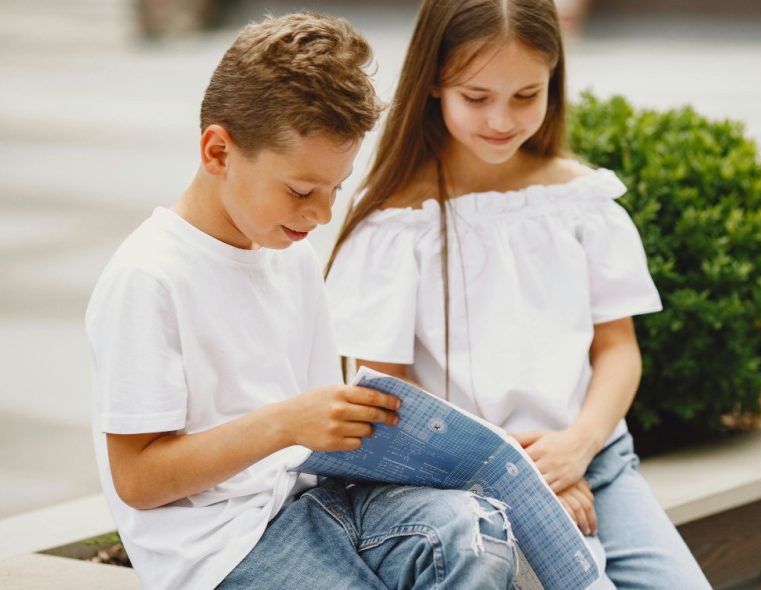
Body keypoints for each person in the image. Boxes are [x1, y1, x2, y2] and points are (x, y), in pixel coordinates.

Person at [86, 12, 518, 590]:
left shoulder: (290, 255)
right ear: (218, 152)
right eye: (300, 190)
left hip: (316, 502)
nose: (321, 215)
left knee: (476, 536)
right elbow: (137, 477)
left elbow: (312, 437)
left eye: (336, 188)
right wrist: (287, 423)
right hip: (222, 546)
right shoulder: (150, 276)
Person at [325, 1, 712, 588]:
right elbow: (393, 403)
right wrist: (526, 480)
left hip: (596, 463)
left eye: (526, 96)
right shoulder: (395, 223)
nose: (502, 120)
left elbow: (618, 350)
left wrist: (577, 448)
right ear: (433, 82)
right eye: (477, 97)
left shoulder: (579, 201)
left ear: (553, 82)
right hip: (470, 486)